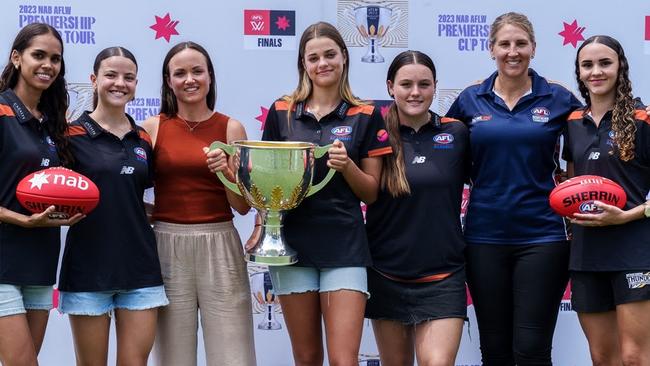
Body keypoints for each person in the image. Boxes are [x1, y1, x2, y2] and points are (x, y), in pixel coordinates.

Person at [446, 12, 583, 365]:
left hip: (543, 237)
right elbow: (441, 155)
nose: (513, 51)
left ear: (533, 48)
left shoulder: (558, 98)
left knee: (532, 349)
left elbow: (593, 138)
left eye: (521, 43)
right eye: (504, 44)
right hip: (482, 238)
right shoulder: (469, 100)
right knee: (494, 350)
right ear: (491, 48)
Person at [255, 21, 392, 366]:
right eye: (313, 58)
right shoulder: (282, 112)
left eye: (330, 55)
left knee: (344, 360)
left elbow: (372, 193)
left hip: (344, 246)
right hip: (293, 247)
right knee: (306, 357)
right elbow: (264, 183)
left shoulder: (367, 114)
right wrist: (260, 225)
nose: (322, 64)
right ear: (303, 63)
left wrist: (348, 167)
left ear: (344, 58)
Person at [142, 41, 256, 366]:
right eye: (180, 73)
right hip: (165, 244)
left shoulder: (231, 128)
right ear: (168, 80)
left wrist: (228, 175)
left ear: (209, 76)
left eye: (197, 71)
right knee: (172, 356)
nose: (189, 79)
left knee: (233, 354)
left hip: (220, 242)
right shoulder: (152, 128)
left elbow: (243, 206)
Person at [58, 47, 168, 366]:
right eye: (111, 75)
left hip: (141, 271)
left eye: (128, 77)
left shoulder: (143, 139)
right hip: (87, 272)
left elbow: (135, 201)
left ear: (136, 84)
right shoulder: (69, 135)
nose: (120, 83)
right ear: (94, 80)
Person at [364, 50, 469, 366]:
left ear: (436, 86)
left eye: (424, 84)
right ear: (389, 87)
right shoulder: (374, 133)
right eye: (406, 84)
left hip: (444, 275)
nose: (415, 92)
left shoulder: (457, 132)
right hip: (386, 273)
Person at [0, 23, 83, 366]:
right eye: (39, 55)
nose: (48, 64)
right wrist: (22, 219)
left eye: (55, 58)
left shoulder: (53, 122)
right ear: (17, 58)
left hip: (41, 260)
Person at [564, 35, 650, 365]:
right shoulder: (573, 123)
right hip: (586, 255)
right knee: (602, 357)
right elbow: (573, 183)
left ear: (620, 68)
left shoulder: (642, 119)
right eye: (587, 65)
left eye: (605, 63)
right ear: (579, 72)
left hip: (635, 253)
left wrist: (626, 217)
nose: (596, 72)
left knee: (634, 357)